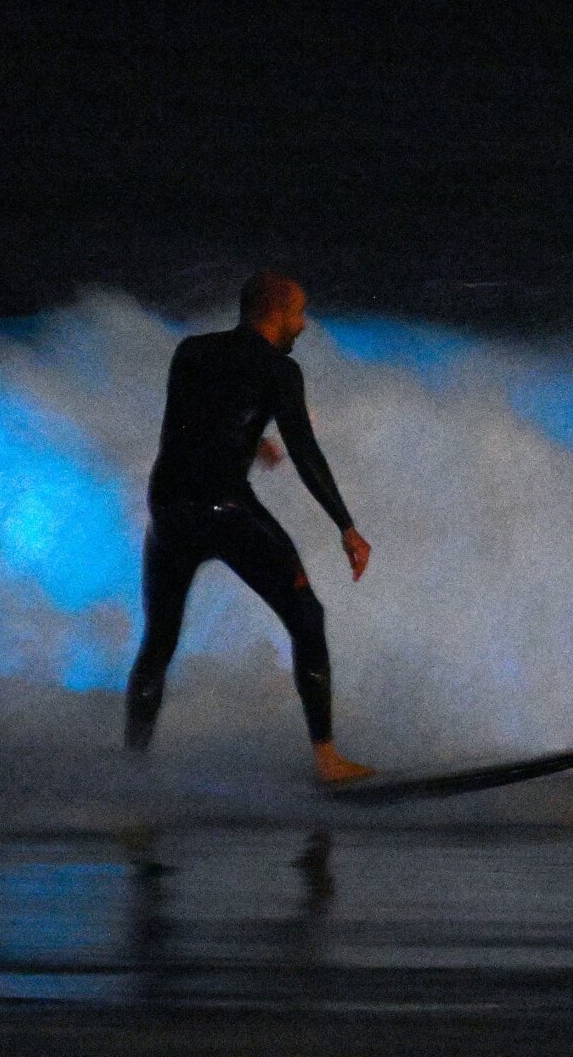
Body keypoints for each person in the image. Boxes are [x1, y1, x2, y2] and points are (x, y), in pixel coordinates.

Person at [124, 272, 377, 783]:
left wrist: (249, 438)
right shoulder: (280, 372)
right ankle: (327, 760)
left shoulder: (190, 352)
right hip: (226, 511)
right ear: (277, 311)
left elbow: (188, 421)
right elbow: (305, 454)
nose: (303, 325)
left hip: (169, 507)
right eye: (299, 313)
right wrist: (346, 526)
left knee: (159, 641)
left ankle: (131, 770)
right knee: (306, 614)